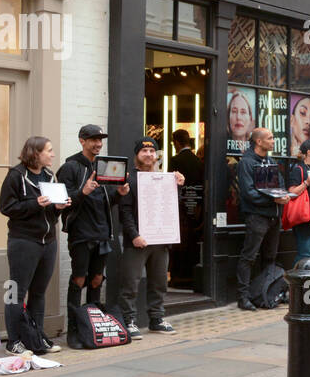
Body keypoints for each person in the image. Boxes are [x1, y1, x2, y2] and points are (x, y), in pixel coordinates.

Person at [57, 124, 130, 349]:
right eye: (93, 139)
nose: (98, 143)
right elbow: (63, 201)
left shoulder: (103, 166)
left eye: (100, 140)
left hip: (102, 233)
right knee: (79, 279)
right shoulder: (70, 167)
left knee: (97, 279)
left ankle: (93, 329)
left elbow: (105, 200)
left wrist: (119, 194)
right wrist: (83, 191)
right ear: (82, 140)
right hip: (81, 233)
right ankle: (74, 331)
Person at [0, 136, 68, 355]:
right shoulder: (16, 175)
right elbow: (6, 207)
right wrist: (35, 203)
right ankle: (14, 341)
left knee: (39, 293)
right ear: (36, 153)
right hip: (24, 242)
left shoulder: (49, 176)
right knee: (16, 293)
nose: (53, 154)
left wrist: (58, 208)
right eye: (49, 150)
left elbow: (50, 215)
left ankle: (36, 339)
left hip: (48, 242)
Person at [117, 137, 184, 338]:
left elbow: (171, 206)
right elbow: (125, 212)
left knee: (159, 282)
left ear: (157, 155)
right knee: (130, 283)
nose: (148, 154)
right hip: (137, 242)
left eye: (152, 151)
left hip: (160, 240)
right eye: (144, 151)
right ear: (137, 155)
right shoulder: (129, 179)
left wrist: (178, 186)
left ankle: (156, 319)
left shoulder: (164, 178)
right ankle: (129, 321)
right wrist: (134, 235)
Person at [235, 127, 289, 310]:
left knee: (270, 257)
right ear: (259, 141)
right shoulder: (246, 163)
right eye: (270, 138)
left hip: (274, 216)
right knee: (248, 257)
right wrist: (273, 199)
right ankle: (243, 297)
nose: (273, 141)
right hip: (257, 217)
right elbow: (248, 193)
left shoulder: (270, 161)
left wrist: (282, 195)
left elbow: (280, 184)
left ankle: (266, 293)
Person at [168, 128, 204, 285]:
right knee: (192, 242)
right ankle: (190, 275)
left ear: (176, 142)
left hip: (180, 207)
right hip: (196, 207)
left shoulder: (175, 160)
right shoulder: (198, 161)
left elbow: (170, 185)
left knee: (180, 242)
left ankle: (178, 276)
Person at [227, 91, 254, 156]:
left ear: (250, 118)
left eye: (243, 112)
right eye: (234, 111)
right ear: (228, 117)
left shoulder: (255, 147)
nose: (238, 117)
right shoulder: (221, 146)